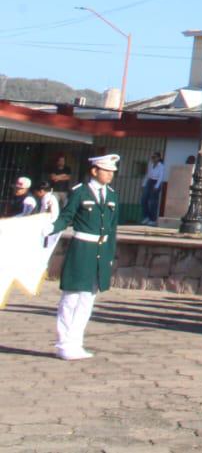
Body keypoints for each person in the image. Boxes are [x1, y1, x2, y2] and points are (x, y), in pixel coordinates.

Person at [47, 154, 120, 360]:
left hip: (100, 250)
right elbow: (67, 217)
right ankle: (64, 343)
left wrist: (109, 255)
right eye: (106, 171)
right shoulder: (80, 192)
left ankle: (76, 341)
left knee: (87, 299)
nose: (110, 175)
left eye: (112, 172)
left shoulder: (112, 195)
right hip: (82, 249)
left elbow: (112, 228)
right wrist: (51, 228)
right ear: (95, 171)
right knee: (71, 298)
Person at [140, 152, 167, 225]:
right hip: (149, 181)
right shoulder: (150, 164)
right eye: (152, 157)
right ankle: (146, 217)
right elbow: (147, 174)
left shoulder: (161, 166)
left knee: (153, 202)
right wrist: (144, 184)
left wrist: (157, 186)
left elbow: (161, 177)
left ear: (158, 158)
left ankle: (153, 219)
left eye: (154, 157)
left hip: (156, 182)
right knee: (143, 200)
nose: (153, 159)